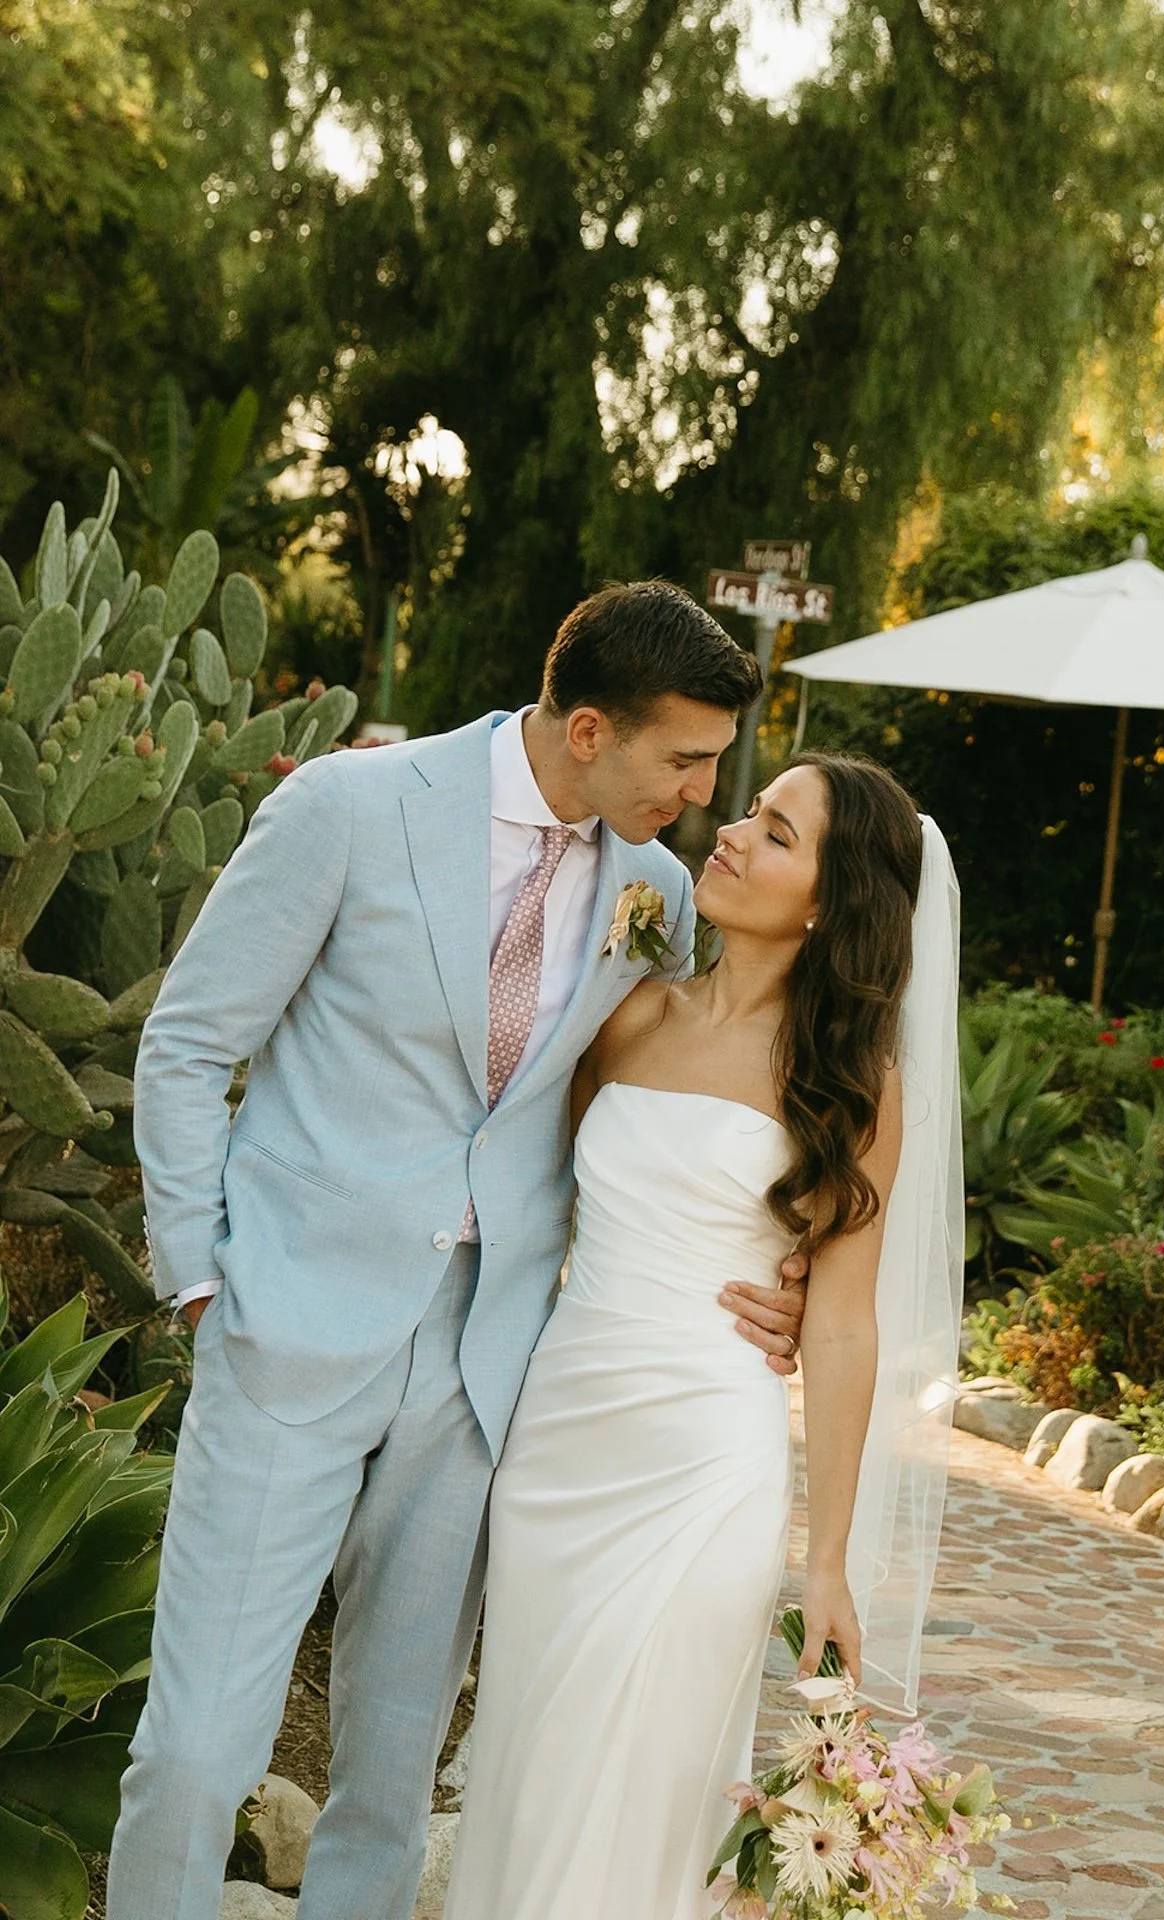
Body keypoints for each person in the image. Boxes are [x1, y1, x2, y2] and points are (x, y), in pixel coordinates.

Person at [106, 581, 810, 1920]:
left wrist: (793, 1269)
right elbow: (192, 1041)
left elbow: (697, 1099)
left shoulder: (653, 892)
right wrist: (200, 1279)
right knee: (197, 1754)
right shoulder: (346, 808)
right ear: (591, 727)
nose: (707, 797)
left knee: (389, 1780)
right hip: (284, 1335)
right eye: (687, 762)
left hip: (482, 1373)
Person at [442, 753, 964, 1920]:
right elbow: (542, 1201)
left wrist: (823, 1561)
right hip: (558, 1447)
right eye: (748, 811)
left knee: (645, 1790)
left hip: (701, 1470)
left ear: (829, 902)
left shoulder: (850, 1087)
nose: (730, 831)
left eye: (774, 832)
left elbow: (838, 1328)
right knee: (527, 1772)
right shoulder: (627, 1016)